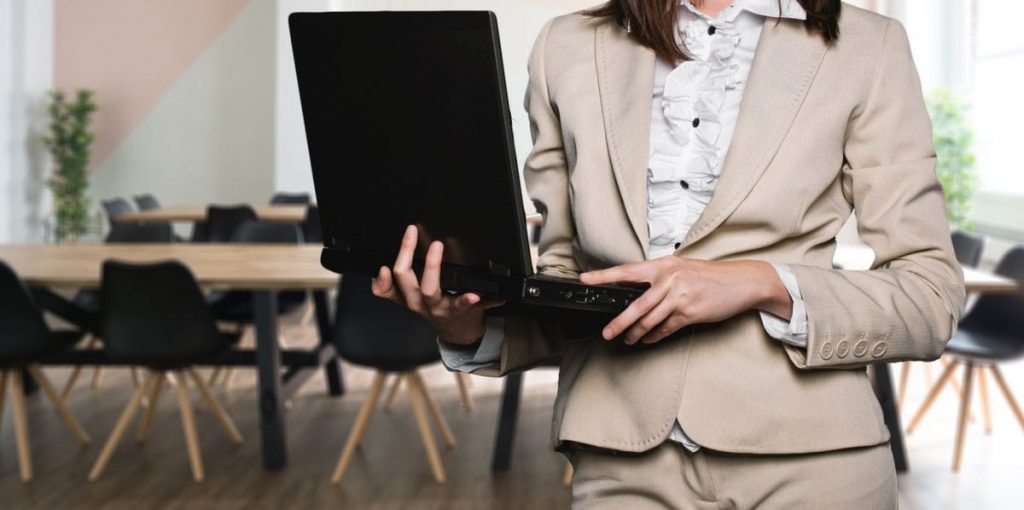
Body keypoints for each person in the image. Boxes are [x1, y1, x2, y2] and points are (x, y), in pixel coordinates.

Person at [372, 0, 966, 507]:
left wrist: (761, 282)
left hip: (815, 458)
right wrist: (467, 323)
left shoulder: (869, 46)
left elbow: (930, 296)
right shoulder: (567, 47)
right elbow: (567, 284)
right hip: (619, 456)